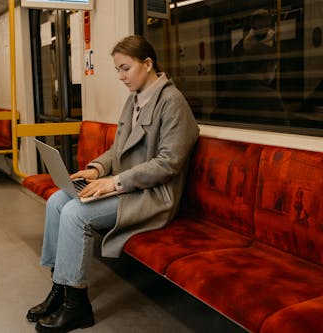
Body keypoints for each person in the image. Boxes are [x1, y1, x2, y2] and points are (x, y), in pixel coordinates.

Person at [27, 35, 200, 333]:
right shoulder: (134, 100)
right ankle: (60, 288)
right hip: (125, 186)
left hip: (152, 195)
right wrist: (97, 169)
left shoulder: (173, 103)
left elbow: (167, 164)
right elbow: (117, 150)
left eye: (125, 68)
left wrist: (114, 182)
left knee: (75, 213)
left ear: (147, 64)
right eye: (118, 70)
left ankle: (76, 306)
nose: (121, 77)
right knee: (58, 200)